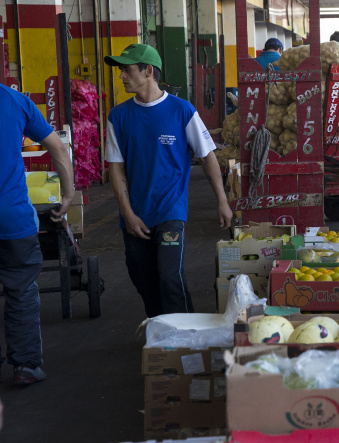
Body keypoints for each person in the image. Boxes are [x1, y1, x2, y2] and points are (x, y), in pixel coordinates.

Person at [104, 43, 233, 317]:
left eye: (126, 70)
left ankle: (186, 344)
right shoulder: (118, 116)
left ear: (148, 71)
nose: (121, 76)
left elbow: (208, 157)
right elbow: (115, 169)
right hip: (135, 212)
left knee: (170, 276)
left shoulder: (182, 111)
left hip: (170, 210)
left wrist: (222, 201)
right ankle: (161, 330)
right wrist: (127, 214)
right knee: (142, 277)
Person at [0, 84, 74, 385]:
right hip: (13, 218)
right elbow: (57, 147)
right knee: (21, 290)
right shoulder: (15, 100)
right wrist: (67, 193)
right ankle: (26, 366)